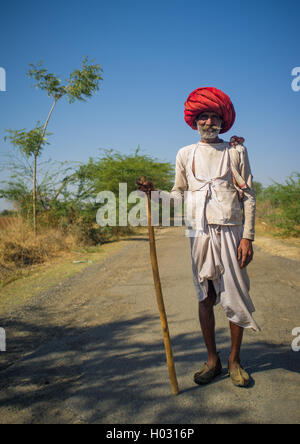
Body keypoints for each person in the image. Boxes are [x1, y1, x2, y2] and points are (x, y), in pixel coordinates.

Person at [137, 87, 260, 387]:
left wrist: (248, 237)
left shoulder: (236, 151)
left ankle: (234, 361)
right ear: (195, 122)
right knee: (205, 297)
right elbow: (178, 195)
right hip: (199, 234)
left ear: (222, 120)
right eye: (203, 117)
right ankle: (212, 360)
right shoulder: (185, 154)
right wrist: (155, 195)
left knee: (235, 296)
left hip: (231, 232)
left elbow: (248, 196)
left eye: (213, 116)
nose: (208, 122)